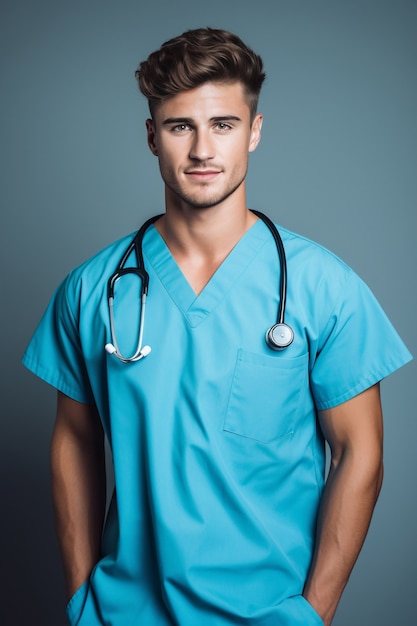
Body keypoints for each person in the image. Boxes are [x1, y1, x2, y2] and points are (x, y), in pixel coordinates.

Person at [23, 27, 412, 626]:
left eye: (224, 125)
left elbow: (362, 453)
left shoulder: (321, 288)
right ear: (152, 136)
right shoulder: (93, 289)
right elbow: (74, 441)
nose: (203, 149)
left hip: (272, 616)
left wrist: (314, 614)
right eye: (181, 126)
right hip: (123, 615)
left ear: (254, 132)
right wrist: (81, 599)